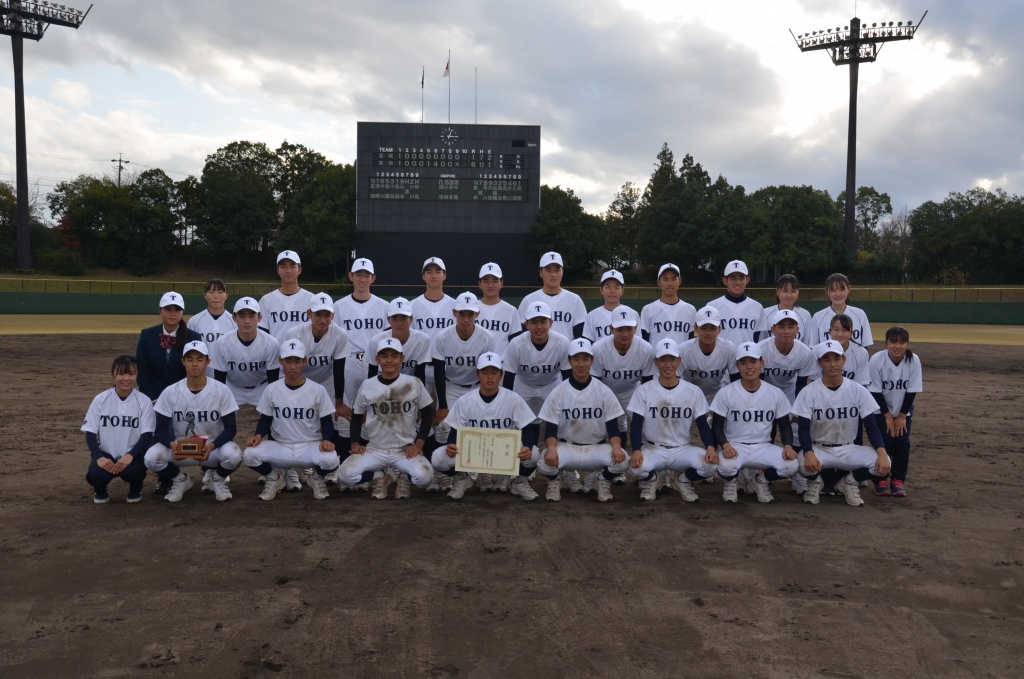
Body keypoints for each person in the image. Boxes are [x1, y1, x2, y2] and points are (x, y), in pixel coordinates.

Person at [791, 340, 891, 506]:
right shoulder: (809, 392)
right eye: (827, 360)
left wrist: (881, 452)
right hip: (820, 449)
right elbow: (803, 428)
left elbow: (871, 427)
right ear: (819, 363)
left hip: (848, 448)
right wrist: (808, 452)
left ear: (843, 360)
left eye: (836, 359)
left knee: (884, 462)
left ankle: (849, 483)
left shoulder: (858, 390)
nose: (832, 364)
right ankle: (816, 482)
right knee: (800, 464)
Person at [434, 352, 541, 500]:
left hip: (505, 453)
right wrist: (451, 445)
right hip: (475, 451)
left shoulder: (513, 398)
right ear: (478, 374)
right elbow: (455, 430)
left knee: (534, 454)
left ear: (501, 374)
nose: (489, 377)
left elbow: (527, 429)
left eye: (494, 372)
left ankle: (519, 482)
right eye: (485, 372)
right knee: (438, 458)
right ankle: (462, 479)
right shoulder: (464, 401)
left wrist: (527, 447)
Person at [144, 341, 242, 502]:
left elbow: (231, 428)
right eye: (190, 359)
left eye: (199, 359)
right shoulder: (170, 392)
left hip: (212, 447)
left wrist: (212, 446)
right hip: (182, 446)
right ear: (183, 362)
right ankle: (180, 480)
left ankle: (217, 479)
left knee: (234, 454)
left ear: (207, 361)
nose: (194, 364)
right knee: (151, 457)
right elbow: (160, 429)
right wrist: (172, 445)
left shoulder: (221, 390)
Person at [337, 338, 435, 500]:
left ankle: (403, 476)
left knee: (425, 477)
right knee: (346, 476)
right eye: (384, 356)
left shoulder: (413, 383)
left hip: (405, 449)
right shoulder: (368, 384)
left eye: (394, 356)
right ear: (377, 359)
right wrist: (354, 442)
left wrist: (419, 444)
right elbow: (356, 415)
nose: (389, 360)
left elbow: (427, 414)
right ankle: (379, 475)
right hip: (375, 449)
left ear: (402, 358)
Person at [241, 339, 339, 501]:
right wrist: (258, 435)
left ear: (304, 362)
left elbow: (326, 421)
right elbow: (266, 419)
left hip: (309, 445)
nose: (292, 366)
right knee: (249, 454)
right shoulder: (272, 389)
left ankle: (316, 478)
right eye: (288, 361)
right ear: (281, 361)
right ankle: (274, 478)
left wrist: (327, 439)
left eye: (297, 361)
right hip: (281, 446)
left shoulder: (317, 390)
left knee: (331, 459)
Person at [625, 339, 717, 502]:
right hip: (653, 449)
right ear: (656, 362)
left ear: (679, 361)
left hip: (682, 449)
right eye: (663, 360)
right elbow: (637, 424)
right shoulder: (643, 390)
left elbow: (703, 425)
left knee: (711, 466)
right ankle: (653, 480)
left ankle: (682, 480)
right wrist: (637, 450)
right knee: (635, 469)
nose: (668, 364)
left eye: (672, 359)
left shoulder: (693, 391)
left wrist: (710, 447)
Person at [536, 338, 628, 502]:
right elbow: (550, 429)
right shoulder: (558, 392)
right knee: (543, 462)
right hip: (567, 448)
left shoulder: (603, 391)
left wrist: (616, 447)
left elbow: (613, 429)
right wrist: (551, 448)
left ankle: (601, 480)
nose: (581, 364)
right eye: (576, 359)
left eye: (585, 359)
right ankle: (557, 480)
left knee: (623, 461)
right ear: (569, 361)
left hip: (596, 448)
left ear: (592, 360)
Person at [710, 342, 799, 504]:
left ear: (762, 363)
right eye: (743, 363)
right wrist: (725, 445)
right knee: (726, 466)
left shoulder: (775, 393)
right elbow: (716, 426)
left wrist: (787, 445)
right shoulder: (726, 393)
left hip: (763, 446)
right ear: (737, 366)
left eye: (753, 361)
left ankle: (759, 481)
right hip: (736, 446)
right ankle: (731, 482)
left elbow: (785, 426)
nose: (748, 367)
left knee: (791, 465)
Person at [502, 301, 574, 489]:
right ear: (526, 324)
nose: (539, 326)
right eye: (534, 322)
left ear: (551, 322)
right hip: (523, 384)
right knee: (520, 421)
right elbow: (508, 377)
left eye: (543, 321)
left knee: (561, 420)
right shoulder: (516, 344)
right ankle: (520, 463)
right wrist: (508, 404)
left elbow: (567, 376)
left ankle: (567, 466)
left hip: (552, 384)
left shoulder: (562, 343)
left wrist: (567, 400)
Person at [284, 292, 349, 484]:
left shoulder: (340, 334)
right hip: (300, 379)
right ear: (308, 314)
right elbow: (291, 364)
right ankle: (293, 468)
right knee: (300, 418)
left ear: (333, 316)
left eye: (326, 315)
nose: (322, 319)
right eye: (318, 314)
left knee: (337, 420)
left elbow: (339, 369)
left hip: (328, 379)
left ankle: (331, 466)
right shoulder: (294, 334)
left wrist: (338, 401)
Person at [589, 306, 654, 490]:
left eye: (629, 328)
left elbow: (648, 383)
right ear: (611, 329)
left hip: (633, 391)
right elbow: (595, 383)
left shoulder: (645, 349)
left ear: (636, 328)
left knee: (643, 426)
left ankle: (644, 467)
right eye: (620, 329)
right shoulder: (599, 348)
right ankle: (607, 468)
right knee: (603, 427)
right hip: (605, 391)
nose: (625, 333)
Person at [332, 257, 390, 460]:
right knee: (347, 411)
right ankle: (345, 459)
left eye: (366, 275)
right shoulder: (338, 306)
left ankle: (373, 459)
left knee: (375, 409)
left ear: (373, 278)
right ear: (351, 276)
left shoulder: (384, 306)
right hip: (348, 361)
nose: (362, 279)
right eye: (358, 274)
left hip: (375, 362)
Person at [82, 355, 155, 503]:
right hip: (106, 453)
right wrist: (98, 457)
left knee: (134, 473)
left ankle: (136, 488)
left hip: (132, 454)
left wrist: (130, 456)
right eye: (121, 373)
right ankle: (100, 490)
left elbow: (147, 434)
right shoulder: (100, 399)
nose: (126, 378)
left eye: (131, 373)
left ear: (137, 375)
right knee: (95, 475)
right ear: (113, 374)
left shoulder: (144, 401)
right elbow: (90, 432)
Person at [868, 327, 922, 497]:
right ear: (886, 343)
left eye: (901, 342)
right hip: (879, 410)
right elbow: (875, 391)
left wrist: (901, 416)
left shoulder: (913, 360)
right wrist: (887, 417)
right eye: (893, 341)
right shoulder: (877, 360)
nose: (897, 346)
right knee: (884, 443)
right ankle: (880, 479)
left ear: (907, 344)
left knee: (902, 443)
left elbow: (912, 390)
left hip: (903, 411)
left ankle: (898, 480)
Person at [211, 297, 281, 408]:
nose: (247, 321)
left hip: (262, 388)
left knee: (275, 416)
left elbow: (273, 379)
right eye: (241, 316)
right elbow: (219, 379)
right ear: (234, 318)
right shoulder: (222, 343)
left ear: (259, 318)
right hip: (232, 387)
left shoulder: (271, 343)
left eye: (252, 315)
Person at [136, 291, 201, 402]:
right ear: (159, 311)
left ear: (183, 312)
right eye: (167, 309)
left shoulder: (193, 338)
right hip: (153, 399)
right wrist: (151, 398)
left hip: (183, 399)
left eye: (177, 310)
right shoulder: (147, 335)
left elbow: (194, 371)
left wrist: (183, 397)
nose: (172, 314)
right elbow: (142, 369)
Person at [517, 251, 586, 340]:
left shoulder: (575, 300)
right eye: (548, 270)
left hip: (566, 353)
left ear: (562, 272)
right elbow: (521, 334)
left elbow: (580, 335)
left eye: (557, 270)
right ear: (541, 273)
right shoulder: (529, 300)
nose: (553, 275)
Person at [678, 306, 738, 406]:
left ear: (719, 329)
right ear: (696, 328)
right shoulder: (684, 350)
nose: (708, 333)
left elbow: (735, 381)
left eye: (713, 328)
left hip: (718, 398)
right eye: (704, 328)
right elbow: (676, 381)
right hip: (689, 398)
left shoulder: (729, 348)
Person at [367, 297, 431, 384]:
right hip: (382, 383)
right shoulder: (376, 341)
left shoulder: (422, 340)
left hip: (409, 385)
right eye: (395, 318)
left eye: (404, 318)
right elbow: (372, 374)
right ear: (388, 320)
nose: (399, 323)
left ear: (411, 319)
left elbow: (420, 374)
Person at [258, 250, 315, 343]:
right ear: (277, 270)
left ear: (300, 270)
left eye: (292, 266)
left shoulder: (312, 300)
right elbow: (262, 335)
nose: (288, 271)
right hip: (276, 355)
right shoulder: (266, 300)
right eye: (283, 267)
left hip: (303, 355)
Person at [809, 273, 873, 348]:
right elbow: (813, 348)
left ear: (849, 290)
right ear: (827, 291)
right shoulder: (818, 317)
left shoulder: (860, 314)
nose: (838, 294)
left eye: (842, 289)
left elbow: (865, 346)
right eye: (833, 290)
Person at [708, 260, 764, 347]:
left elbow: (759, 340)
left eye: (741, 278)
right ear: (725, 280)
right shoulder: (712, 306)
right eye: (733, 278)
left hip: (747, 358)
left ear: (747, 280)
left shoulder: (757, 307)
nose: (738, 282)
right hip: (721, 358)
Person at [640, 263, 696, 347]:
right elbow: (644, 343)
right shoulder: (648, 309)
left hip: (682, 359)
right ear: (658, 282)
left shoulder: (690, 309)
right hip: (657, 359)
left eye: (674, 279)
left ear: (679, 281)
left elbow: (692, 342)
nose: (670, 283)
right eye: (665, 279)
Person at [475, 262, 520, 354]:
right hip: (476, 364)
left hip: (502, 364)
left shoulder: (511, 311)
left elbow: (516, 344)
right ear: (479, 284)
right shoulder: (472, 310)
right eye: (486, 281)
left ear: (501, 283)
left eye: (495, 281)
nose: (490, 285)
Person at [757, 274, 812, 345]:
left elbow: (807, 344)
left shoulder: (805, 315)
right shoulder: (765, 313)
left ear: (798, 292)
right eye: (785, 291)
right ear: (777, 291)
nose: (789, 295)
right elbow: (761, 343)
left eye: (793, 291)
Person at [187, 279, 236, 351]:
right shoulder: (194, 321)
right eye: (211, 292)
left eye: (220, 292)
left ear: (226, 295)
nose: (216, 296)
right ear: (205, 295)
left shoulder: (234, 322)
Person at [582, 269, 626, 342]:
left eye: (616, 287)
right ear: (601, 290)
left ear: (622, 291)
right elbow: (588, 344)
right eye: (608, 287)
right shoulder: (591, 316)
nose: (612, 291)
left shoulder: (632, 314)